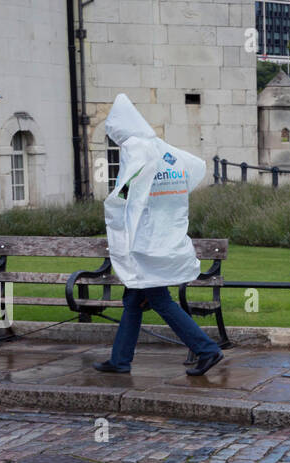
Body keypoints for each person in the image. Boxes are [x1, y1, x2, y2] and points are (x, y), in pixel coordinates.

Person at [92, 94, 223, 376]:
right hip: (165, 236)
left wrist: (115, 203)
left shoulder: (136, 149)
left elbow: (128, 189)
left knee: (160, 300)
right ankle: (120, 359)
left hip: (145, 242)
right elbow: (194, 168)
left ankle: (206, 349)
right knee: (133, 300)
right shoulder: (163, 149)